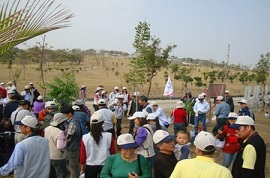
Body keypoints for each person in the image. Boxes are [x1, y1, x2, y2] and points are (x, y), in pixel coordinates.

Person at [80, 112, 116, 178]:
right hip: (105, 165)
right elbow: (113, 153)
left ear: (91, 124)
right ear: (102, 123)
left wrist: (82, 169)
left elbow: (83, 156)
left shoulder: (85, 137)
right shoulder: (109, 136)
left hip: (90, 166)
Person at [44, 113, 68, 178]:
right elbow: (60, 146)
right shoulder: (59, 132)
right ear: (61, 122)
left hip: (49, 155)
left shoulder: (47, 129)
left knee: (51, 174)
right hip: (58, 157)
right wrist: (66, 141)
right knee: (60, 174)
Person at [61, 107, 82, 178]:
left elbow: (69, 136)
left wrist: (62, 142)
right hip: (73, 146)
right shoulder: (71, 121)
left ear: (70, 114)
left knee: (73, 166)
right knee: (71, 164)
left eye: (64, 114)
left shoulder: (73, 123)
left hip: (73, 147)